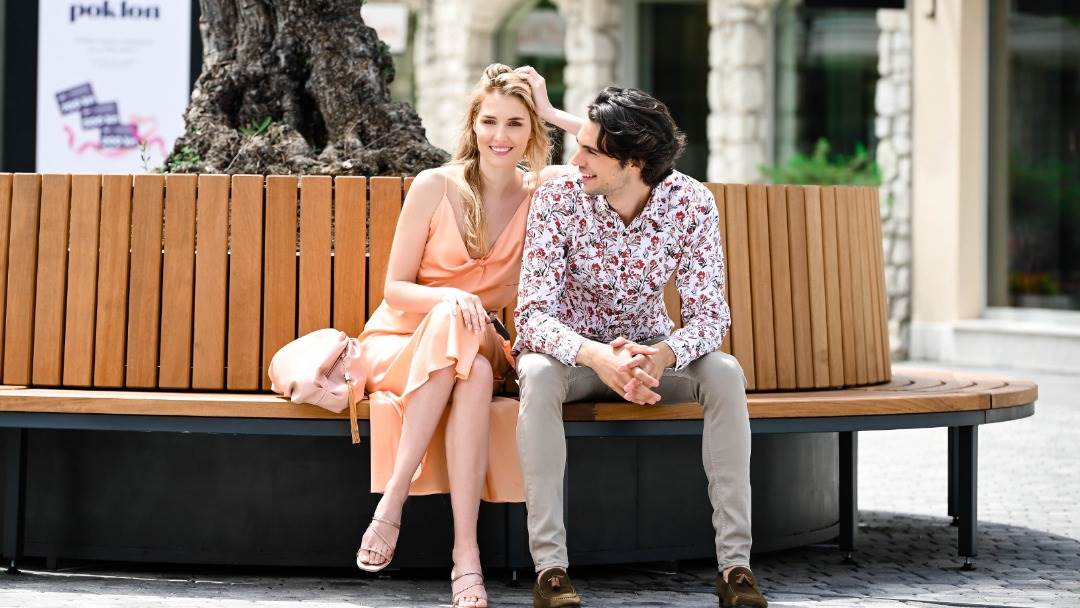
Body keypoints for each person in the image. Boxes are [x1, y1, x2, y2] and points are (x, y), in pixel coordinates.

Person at [512, 67, 769, 608]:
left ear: (632, 162)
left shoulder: (690, 203)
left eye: (590, 152)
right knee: (535, 372)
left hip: (652, 359)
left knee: (724, 373)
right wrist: (596, 356)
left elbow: (711, 315)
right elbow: (532, 316)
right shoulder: (558, 199)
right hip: (574, 359)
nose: (575, 160)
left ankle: (736, 568)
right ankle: (550, 569)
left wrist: (663, 354)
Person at [353, 64, 569, 608]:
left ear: (532, 131)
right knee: (469, 370)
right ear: (473, 125)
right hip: (401, 341)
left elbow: (625, 157)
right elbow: (395, 288)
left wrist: (550, 108)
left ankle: (392, 503)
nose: (501, 136)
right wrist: (450, 297)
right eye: (490, 121)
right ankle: (465, 555)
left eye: (516, 123)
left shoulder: (543, 192)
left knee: (468, 347)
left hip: (479, 338)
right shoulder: (435, 185)